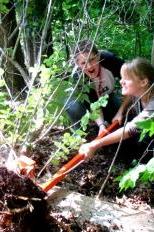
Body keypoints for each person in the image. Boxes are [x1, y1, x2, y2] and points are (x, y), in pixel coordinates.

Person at [79, 57, 154, 158]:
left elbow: (131, 129)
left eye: (126, 79)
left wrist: (96, 144)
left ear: (143, 82)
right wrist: (120, 112)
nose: (121, 82)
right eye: (121, 78)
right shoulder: (140, 92)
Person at [66, 39, 127, 134]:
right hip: (84, 103)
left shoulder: (110, 60)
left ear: (98, 56)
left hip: (107, 97)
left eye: (92, 60)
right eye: (83, 63)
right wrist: (101, 125)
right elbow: (93, 102)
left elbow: (132, 84)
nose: (89, 66)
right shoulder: (78, 76)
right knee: (73, 106)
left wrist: (120, 112)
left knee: (121, 118)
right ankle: (79, 134)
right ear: (77, 64)